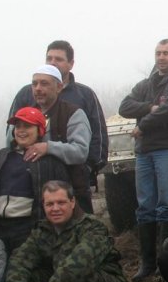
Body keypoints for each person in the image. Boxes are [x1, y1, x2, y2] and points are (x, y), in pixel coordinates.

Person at [119, 39, 168, 282]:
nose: (161, 57)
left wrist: (143, 126)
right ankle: (147, 263)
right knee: (145, 206)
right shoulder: (146, 84)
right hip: (144, 152)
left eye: (166, 53)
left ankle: (166, 262)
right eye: (158, 53)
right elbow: (124, 106)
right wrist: (149, 107)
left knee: (166, 205)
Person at [9, 40, 108, 212]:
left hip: (72, 183)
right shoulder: (25, 96)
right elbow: (11, 137)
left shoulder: (82, 99)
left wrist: (89, 169)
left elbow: (96, 139)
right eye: (49, 58)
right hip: (30, 184)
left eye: (59, 59)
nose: (38, 88)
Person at [0, 107, 70, 252]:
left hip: (29, 230)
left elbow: (65, 198)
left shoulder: (51, 162)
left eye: (27, 126)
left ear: (40, 130)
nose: (21, 130)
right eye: (18, 126)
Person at [11, 65, 92, 213]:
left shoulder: (73, 113)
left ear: (59, 87)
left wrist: (48, 147)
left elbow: (80, 152)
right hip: (31, 194)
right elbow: (12, 147)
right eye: (34, 84)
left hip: (70, 192)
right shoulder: (23, 115)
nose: (38, 88)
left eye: (44, 83)